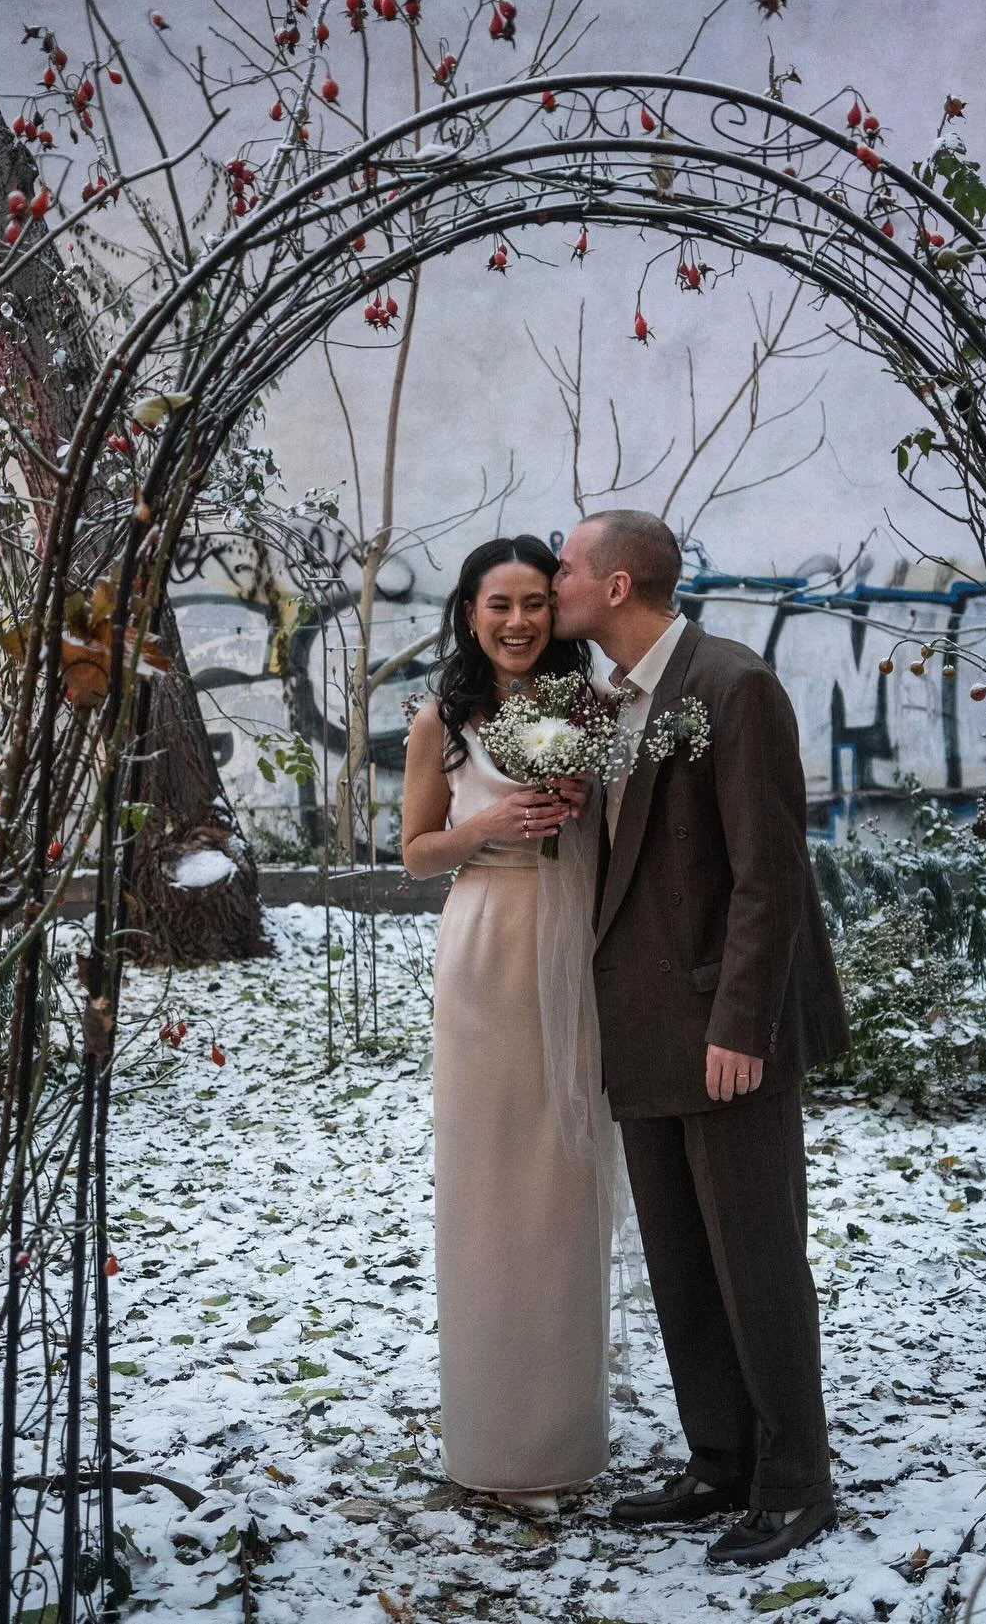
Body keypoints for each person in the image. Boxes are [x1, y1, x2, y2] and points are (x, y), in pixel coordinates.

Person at [552, 508, 852, 1570]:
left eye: (568, 566)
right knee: (681, 1264)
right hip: (640, 1025)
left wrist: (742, 1023)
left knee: (757, 1258)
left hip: (728, 1027)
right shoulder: (598, 703)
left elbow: (770, 873)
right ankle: (719, 1457)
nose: (554, 579)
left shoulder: (732, 685)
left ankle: (793, 1483)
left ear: (620, 585)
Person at [401, 534, 618, 1517]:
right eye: (501, 605)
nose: (521, 621)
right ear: (470, 610)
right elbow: (413, 852)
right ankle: (489, 1433)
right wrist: (489, 825)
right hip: (485, 947)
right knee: (488, 1190)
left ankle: (566, 1430)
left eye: (537, 602)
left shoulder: (595, 710)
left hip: (574, 946)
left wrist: (584, 804)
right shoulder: (439, 718)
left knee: (564, 1184)